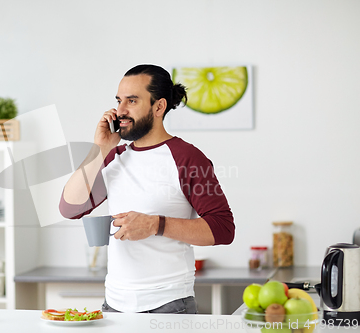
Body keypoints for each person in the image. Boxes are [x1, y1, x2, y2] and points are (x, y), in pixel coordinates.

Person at [59, 64, 235, 314]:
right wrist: (99, 149)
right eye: (119, 101)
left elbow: (223, 228)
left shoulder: (187, 158)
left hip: (169, 306)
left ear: (159, 107)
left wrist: (156, 225)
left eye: (132, 101)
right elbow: (70, 208)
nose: (120, 111)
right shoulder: (114, 157)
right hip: (114, 305)